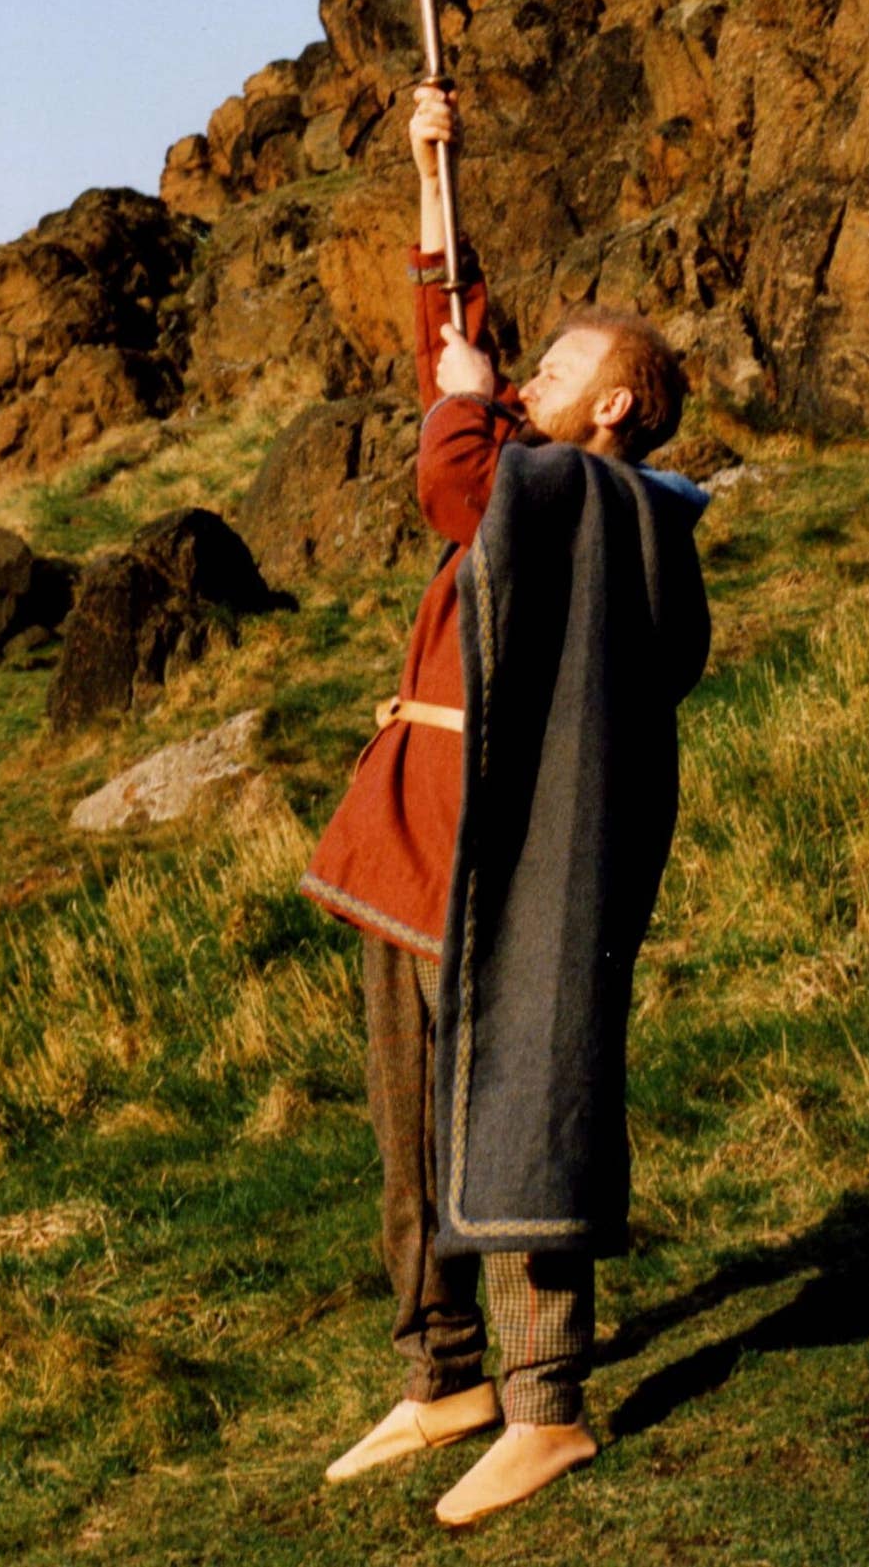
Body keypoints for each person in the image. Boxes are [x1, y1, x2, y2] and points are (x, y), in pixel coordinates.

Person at [300, 83, 711, 1527]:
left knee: (515, 1108)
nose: (523, 376)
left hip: (508, 864)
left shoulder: (604, 512)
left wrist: (470, 399)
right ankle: (444, 1375)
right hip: (409, 841)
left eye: (554, 370)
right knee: (409, 1133)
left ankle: (547, 1409)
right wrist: (432, 172)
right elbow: (451, 358)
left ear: (611, 404)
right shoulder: (539, 487)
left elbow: (453, 460)